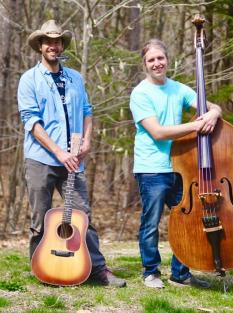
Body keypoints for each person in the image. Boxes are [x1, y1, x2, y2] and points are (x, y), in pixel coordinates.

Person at [18, 20, 126, 287]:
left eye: (58, 41)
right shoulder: (29, 79)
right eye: (48, 41)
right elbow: (31, 122)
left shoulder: (75, 78)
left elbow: (87, 111)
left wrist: (87, 140)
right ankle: (41, 268)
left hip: (74, 161)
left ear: (62, 45)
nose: (53, 46)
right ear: (40, 46)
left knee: (82, 216)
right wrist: (58, 152)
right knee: (41, 218)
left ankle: (98, 270)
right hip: (41, 159)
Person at [129, 39, 222, 289]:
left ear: (167, 60)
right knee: (151, 223)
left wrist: (213, 113)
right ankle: (151, 272)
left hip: (181, 168)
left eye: (160, 58)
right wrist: (195, 125)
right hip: (151, 169)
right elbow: (157, 133)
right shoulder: (140, 93)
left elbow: (210, 106)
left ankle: (180, 273)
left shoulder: (179, 89)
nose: (157, 63)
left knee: (188, 220)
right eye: (151, 60)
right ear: (145, 64)